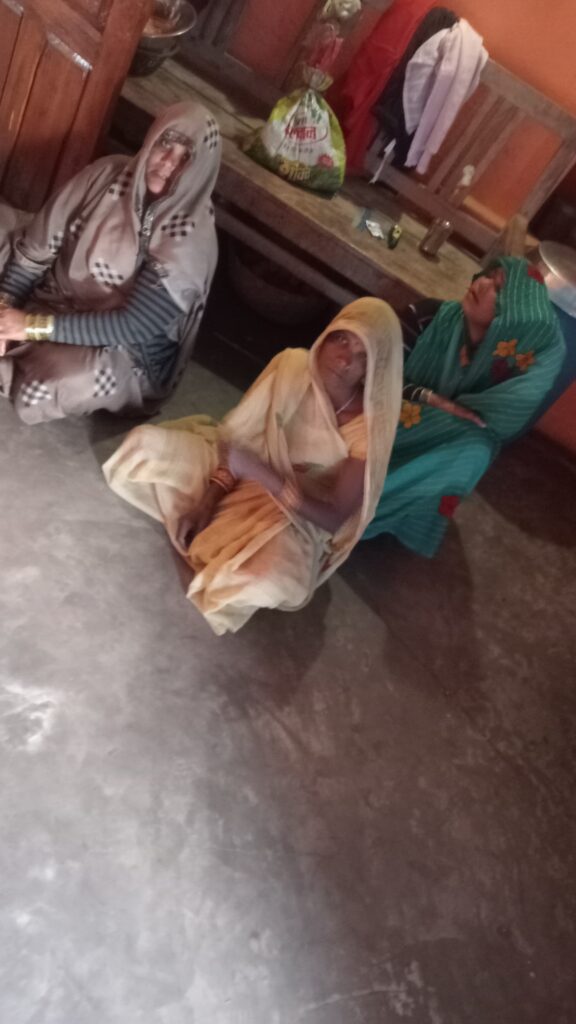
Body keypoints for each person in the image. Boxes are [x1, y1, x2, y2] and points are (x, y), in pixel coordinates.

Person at [103, 299, 403, 635]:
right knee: (142, 446)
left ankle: (211, 540)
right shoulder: (291, 366)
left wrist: (263, 475)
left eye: (363, 356)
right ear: (328, 334)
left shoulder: (367, 428)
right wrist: (209, 500)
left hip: (294, 514)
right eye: (342, 339)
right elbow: (240, 440)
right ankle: (205, 528)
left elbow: (333, 517)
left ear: (373, 370)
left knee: (268, 580)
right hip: (237, 470)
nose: (345, 359)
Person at [0, 101, 221, 422]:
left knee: (57, 385)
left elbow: (132, 326)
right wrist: (4, 308)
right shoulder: (107, 174)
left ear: (199, 170)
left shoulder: (190, 236)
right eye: (165, 143)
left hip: (118, 349)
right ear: (151, 140)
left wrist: (29, 325)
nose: (168, 162)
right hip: (50, 296)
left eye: (185, 157)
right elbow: (35, 250)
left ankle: (13, 364)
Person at [364, 257, 566, 556]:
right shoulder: (430, 318)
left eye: (498, 289)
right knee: (464, 434)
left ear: (514, 319)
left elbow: (496, 423)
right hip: (367, 414)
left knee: (475, 447)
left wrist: (439, 419)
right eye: (488, 275)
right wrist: (428, 400)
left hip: (424, 441)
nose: (481, 283)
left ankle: (370, 510)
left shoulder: (506, 372)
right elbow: (367, 372)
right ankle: (349, 498)